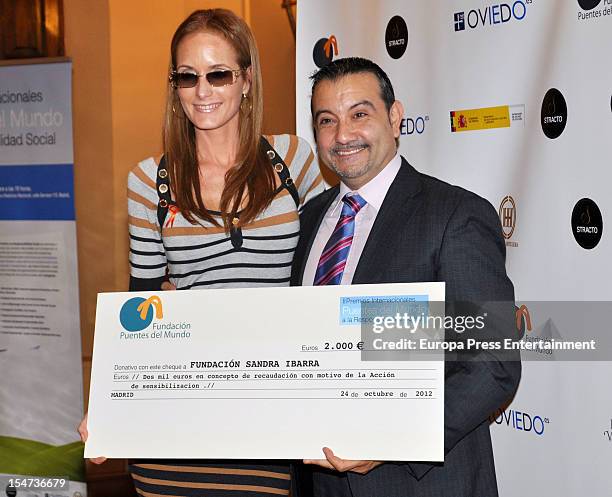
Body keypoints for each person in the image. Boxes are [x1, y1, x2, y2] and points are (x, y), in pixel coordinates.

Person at [78, 9, 324, 496]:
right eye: (187, 77)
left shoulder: (295, 159)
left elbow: (327, 278)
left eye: (218, 74)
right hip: (178, 425)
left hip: (273, 415)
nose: (203, 91)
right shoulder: (149, 181)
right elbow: (141, 303)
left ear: (246, 79)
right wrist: (109, 402)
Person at [290, 57, 521, 497]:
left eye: (360, 114)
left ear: (395, 117)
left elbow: (493, 364)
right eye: (327, 120)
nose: (343, 135)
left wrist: (393, 440)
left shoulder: (456, 216)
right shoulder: (309, 220)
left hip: (420, 484)